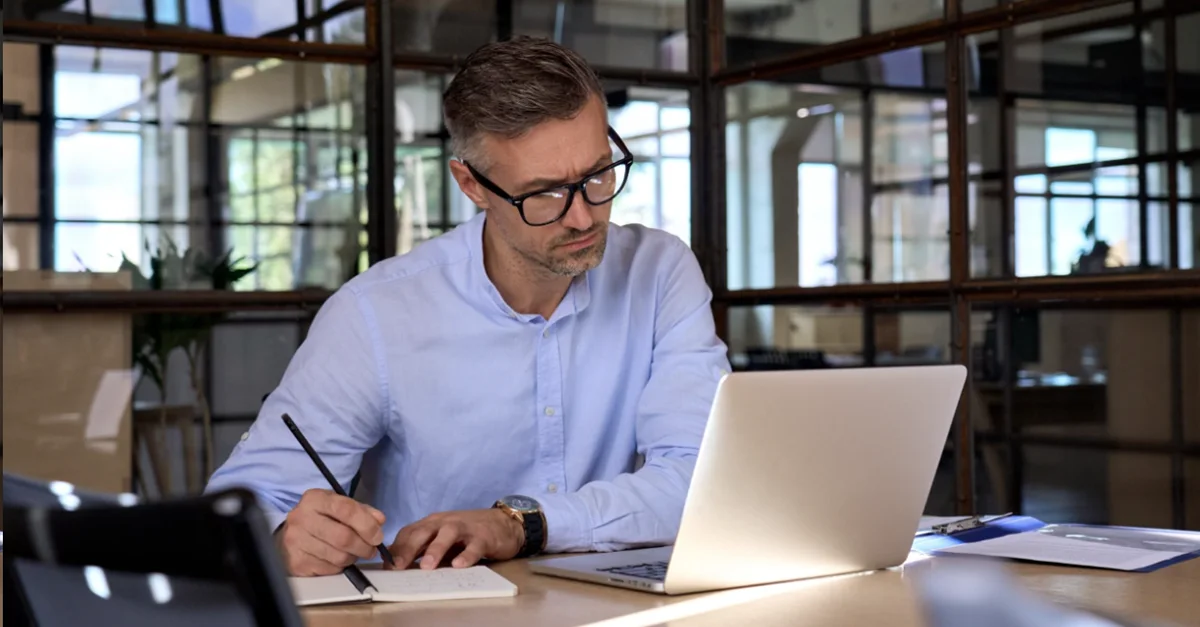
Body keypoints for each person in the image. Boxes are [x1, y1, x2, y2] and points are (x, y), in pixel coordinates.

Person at [205, 36, 730, 577]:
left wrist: (521, 524)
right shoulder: (377, 314)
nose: (582, 217)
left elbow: (702, 478)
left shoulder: (659, 270)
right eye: (545, 193)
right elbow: (240, 505)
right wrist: (280, 536)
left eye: (597, 174)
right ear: (471, 185)